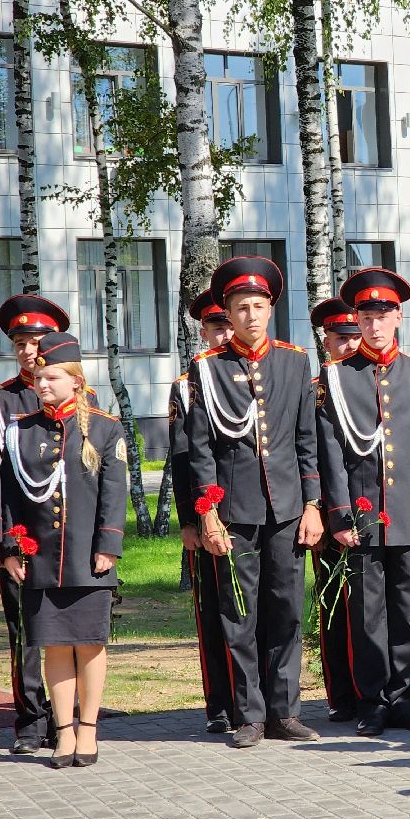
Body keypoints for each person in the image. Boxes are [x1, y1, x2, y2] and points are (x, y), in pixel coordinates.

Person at [187, 256, 324, 748]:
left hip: (286, 507)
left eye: (259, 306)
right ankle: (250, 714)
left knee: (286, 609)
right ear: (227, 311)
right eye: (241, 307)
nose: (250, 316)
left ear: (271, 310)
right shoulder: (208, 369)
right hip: (235, 511)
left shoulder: (294, 360)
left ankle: (286, 711)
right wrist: (207, 515)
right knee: (239, 613)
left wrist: (313, 505)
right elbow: (200, 450)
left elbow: (306, 440)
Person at [317, 268, 410, 737]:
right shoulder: (337, 377)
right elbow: (331, 453)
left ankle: (405, 697)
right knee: (367, 610)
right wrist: (341, 515)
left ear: (399, 318)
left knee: (409, 608)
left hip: (409, 512)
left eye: (382, 314)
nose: (374, 324)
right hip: (364, 515)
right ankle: (373, 699)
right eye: (366, 315)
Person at [0, 332, 125, 769]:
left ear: (76, 380)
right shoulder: (22, 431)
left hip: (88, 555)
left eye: (51, 376)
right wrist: (12, 547)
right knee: (53, 646)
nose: (42, 384)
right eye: (38, 377)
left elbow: (114, 492)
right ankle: (64, 731)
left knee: (89, 643)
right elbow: (10, 495)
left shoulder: (105, 429)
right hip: (42, 558)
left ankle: (88, 728)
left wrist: (108, 545)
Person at [0, 294, 79, 755]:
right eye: (20, 342)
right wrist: (5, 539)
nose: (28, 351)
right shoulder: (0, 400)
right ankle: (30, 717)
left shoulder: (78, 397)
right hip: (20, 531)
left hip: (66, 533)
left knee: (71, 628)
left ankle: (71, 717)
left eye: (37, 342)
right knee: (22, 627)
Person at [174, 290, 234, 733]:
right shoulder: (188, 383)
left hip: (254, 508)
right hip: (206, 512)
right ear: (204, 332)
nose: (227, 333)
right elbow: (181, 457)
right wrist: (190, 520)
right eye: (218, 328)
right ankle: (220, 703)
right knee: (213, 610)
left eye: (229, 325)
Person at [308, 296, 365, 723]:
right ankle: (341, 694)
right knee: (334, 606)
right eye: (339, 339)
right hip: (329, 515)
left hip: (372, 512)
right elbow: (307, 455)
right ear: (325, 341)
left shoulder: (374, 384)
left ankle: (374, 690)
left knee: (373, 606)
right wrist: (319, 512)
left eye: (354, 337)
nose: (348, 346)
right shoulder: (316, 390)